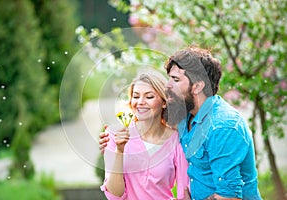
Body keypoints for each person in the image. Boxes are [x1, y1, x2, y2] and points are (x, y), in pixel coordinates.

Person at [100, 46, 262, 200]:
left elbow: (229, 196)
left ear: (197, 86)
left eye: (175, 80)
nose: (168, 85)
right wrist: (112, 144)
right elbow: (152, 119)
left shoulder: (222, 127)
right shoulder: (186, 120)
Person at [100, 70, 190, 200]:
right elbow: (115, 195)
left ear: (164, 102)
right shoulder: (114, 136)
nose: (140, 102)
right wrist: (119, 150)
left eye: (149, 97)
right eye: (136, 96)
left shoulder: (176, 141)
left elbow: (184, 192)